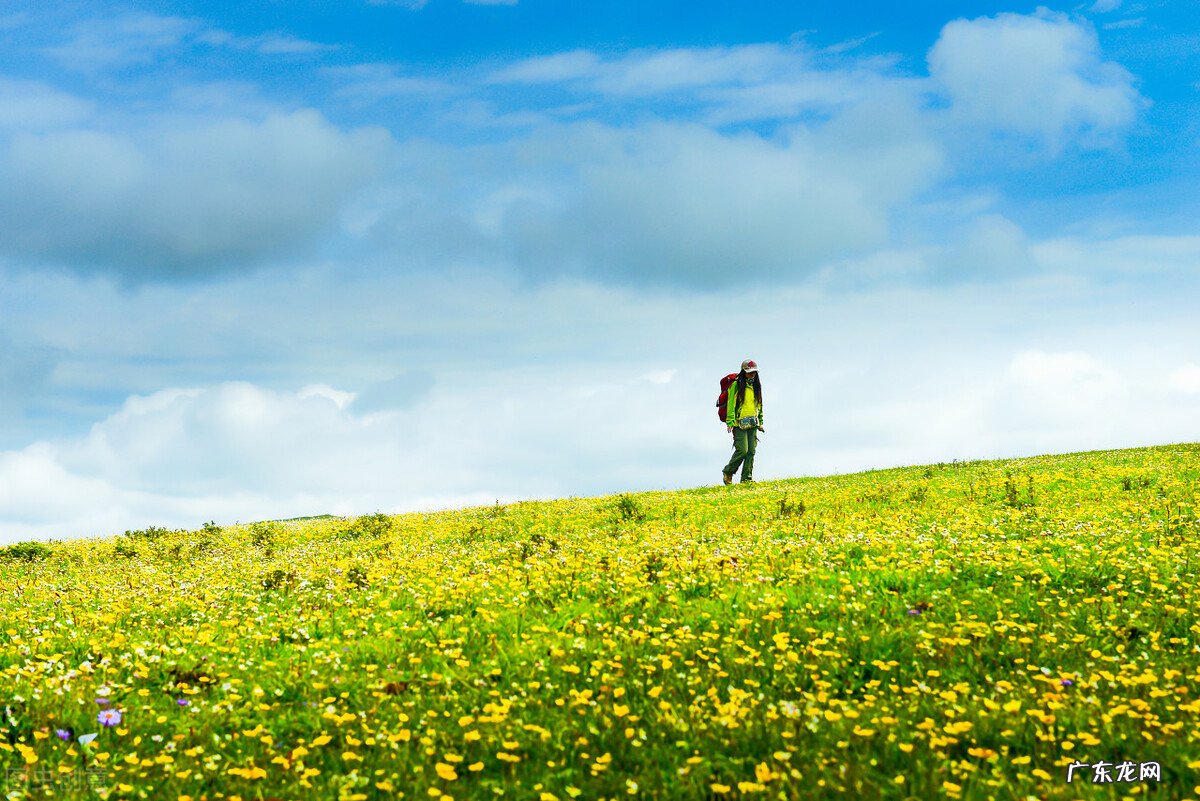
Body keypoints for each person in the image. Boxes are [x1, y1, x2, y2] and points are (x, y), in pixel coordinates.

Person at [722, 359, 764, 485]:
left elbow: (759, 404)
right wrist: (730, 421)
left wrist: (760, 421)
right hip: (739, 423)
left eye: (754, 372)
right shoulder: (736, 385)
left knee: (751, 451)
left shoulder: (756, 386)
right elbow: (731, 404)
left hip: (753, 423)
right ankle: (728, 471)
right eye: (749, 372)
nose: (752, 374)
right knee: (742, 450)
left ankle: (746, 479)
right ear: (743, 371)